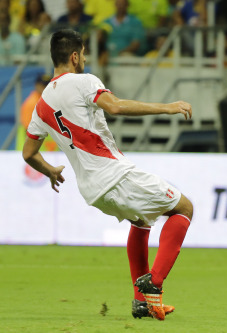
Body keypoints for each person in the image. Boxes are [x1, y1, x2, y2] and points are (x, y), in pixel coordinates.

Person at [22, 29, 193, 321]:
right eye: (84, 54)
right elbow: (114, 106)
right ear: (75, 56)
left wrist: (50, 171)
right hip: (114, 174)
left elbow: (28, 153)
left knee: (141, 221)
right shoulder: (83, 81)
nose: (85, 59)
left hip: (91, 190)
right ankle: (155, 282)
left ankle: (143, 303)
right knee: (184, 208)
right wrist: (168, 107)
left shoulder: (41, 104)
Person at [16, 73, 57, 151]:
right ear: (37, 86)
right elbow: (29, 129)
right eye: (43, 86)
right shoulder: (32, 103)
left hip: (48, 150)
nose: (46, 88)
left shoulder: (48, 101)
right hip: (35, 151)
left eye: (48, 85)